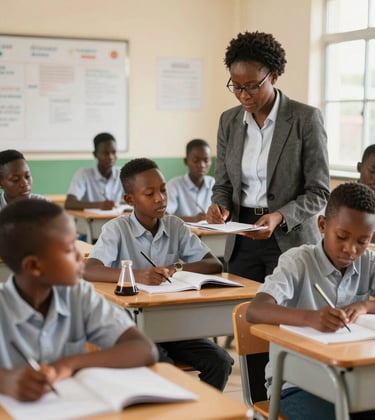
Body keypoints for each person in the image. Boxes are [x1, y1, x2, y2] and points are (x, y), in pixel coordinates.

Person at [84, 158, 234, 391]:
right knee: (162, 364)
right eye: (149, 193)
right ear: (130, 199)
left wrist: (177, 268)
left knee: (220, 362)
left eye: (163, 190)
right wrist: (137, 275)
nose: (160, 198)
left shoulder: (175, 225)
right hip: (130, 327)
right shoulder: (116, 229)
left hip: (171, 324)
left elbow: (212, 264)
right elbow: (88, 269)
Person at [0, 199, 157, 402]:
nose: (80, 256)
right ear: (33, 266)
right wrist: (5, 381)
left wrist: (68, 364)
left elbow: (144, 350)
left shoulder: (78, 295)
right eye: (69, 249)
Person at [207, 31, 330, 283]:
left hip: (290, 238)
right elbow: (223, 184)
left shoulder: (305, 119)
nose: (244, 95)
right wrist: (220, 207)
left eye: (252, 86)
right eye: (236, 86)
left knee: (286, 314)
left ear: (273, 76)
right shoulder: (228, 121)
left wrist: (280, 216)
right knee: (242, 310)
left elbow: (319, 192)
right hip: (242, 237)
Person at [247, 182, 375, 420]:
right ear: (322, 226)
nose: (351, 249)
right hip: (294, 384)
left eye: (362, 241)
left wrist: (365, 306)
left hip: (351, 380)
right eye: (342, 237)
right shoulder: (298, 261)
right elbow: (255, 310)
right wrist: (311, 318)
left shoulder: (368, 262)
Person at [64, 132, 123, 210]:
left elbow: (134, 198)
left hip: (115, 220)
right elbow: (69, 203)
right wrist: (100, 205)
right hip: (90, 221)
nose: (111, 157)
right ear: (95, 154)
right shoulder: (84, 174)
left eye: (114, 152)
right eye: (105, 153)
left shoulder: (122, 174)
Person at [166, 139, 215, 222]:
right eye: (196, 160)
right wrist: (193, 219)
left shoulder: (213, 183)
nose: (202, 165)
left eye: (206, 160)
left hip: (210, 234)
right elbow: (164, 216)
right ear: (186, 161)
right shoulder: (174, 185)